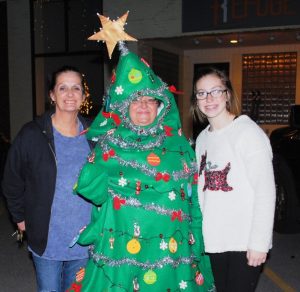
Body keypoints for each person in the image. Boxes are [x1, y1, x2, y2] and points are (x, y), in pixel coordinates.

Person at [68, 42, 215, 291]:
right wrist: (97, 161)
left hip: (171, 252)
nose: (144, 106)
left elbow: (193, 201)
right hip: (123, 254)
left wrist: (198, 238)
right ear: (125, 107)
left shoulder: (179, 146)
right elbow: (92, 191)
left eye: (150, 100)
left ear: (160, 106)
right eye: (136, 101)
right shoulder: (110, 145)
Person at [2, 66, 93, 292]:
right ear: (52, 95)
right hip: (47, 235)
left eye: (76, 88)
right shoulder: (32, 134)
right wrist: (19, 218)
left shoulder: (94, 135)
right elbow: (12, 181)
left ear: (83, 96)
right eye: (63, 88)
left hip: (85, 236)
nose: (70, 94)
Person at [191, 67, 276, 292]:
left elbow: (266, 192)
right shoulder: (202, 139)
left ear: (227, 94)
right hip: (213, 239)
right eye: (201, 93)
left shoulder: (248, 133)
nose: (208, 99)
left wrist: (259, 243)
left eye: (215, 91)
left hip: (242, 240)